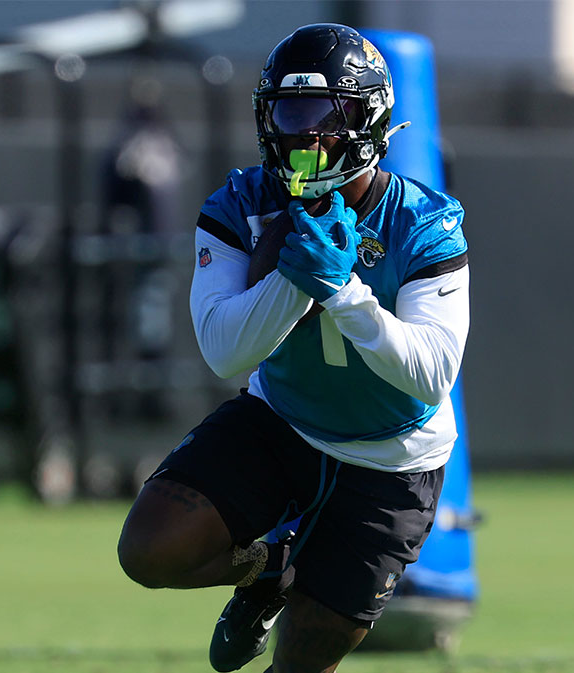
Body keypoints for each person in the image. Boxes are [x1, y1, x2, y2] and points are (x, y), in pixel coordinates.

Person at [116, 23, 470, 673]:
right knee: (150, 547)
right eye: (289, 111)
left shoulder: (424, 222)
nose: (305, 135)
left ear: (370, 120)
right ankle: (271, 566)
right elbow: (225, 352)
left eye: (325, 114)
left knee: (301, 666)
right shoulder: (243, 203)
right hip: (280, 422)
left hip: (392, 456)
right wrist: (293, 280)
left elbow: (431, 372)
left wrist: (345, 292)